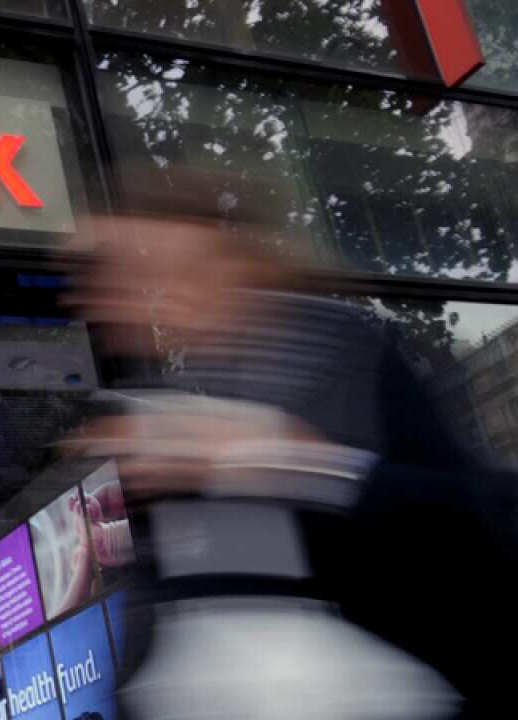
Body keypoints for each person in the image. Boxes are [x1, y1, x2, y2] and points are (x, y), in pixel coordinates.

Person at [58, 170, 486, 717]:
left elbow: (464, 515)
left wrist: (274, 455)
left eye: (179, 273)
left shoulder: (339, 349)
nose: (163, 299)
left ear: (234, 264)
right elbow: (169, 601)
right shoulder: (177, 402)